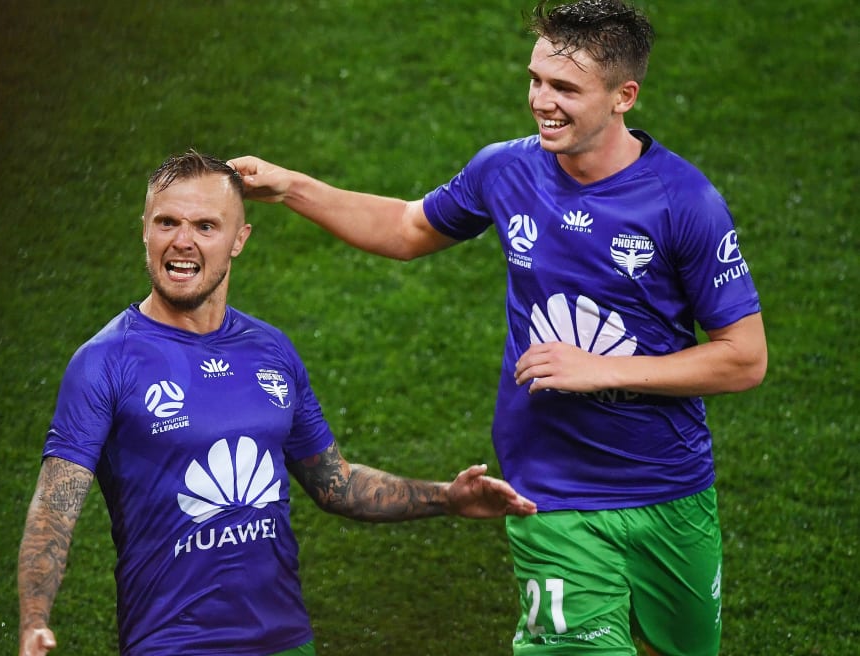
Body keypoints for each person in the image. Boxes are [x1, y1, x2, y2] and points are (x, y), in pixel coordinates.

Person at [228, 1, 767, 654]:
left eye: (565, 88)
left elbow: (743, 358)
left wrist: (601, 369)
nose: (543, 101)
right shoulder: (505, 170)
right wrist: (290, 188)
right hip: (551, 491)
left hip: (671, 488)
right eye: (536, 79)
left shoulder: (685, 203)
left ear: (625, 96)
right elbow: (406, 228)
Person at [16, 150, 537, 656]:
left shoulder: (271, 350)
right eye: (167, 222)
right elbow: (55, 506)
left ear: (239, 240)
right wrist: (35, 621)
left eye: (205, 226)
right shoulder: (105, 361)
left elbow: (336, 484)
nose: (182, 242)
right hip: (175, 642)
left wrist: (447, 497)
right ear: (145, 230)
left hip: (285, 638)